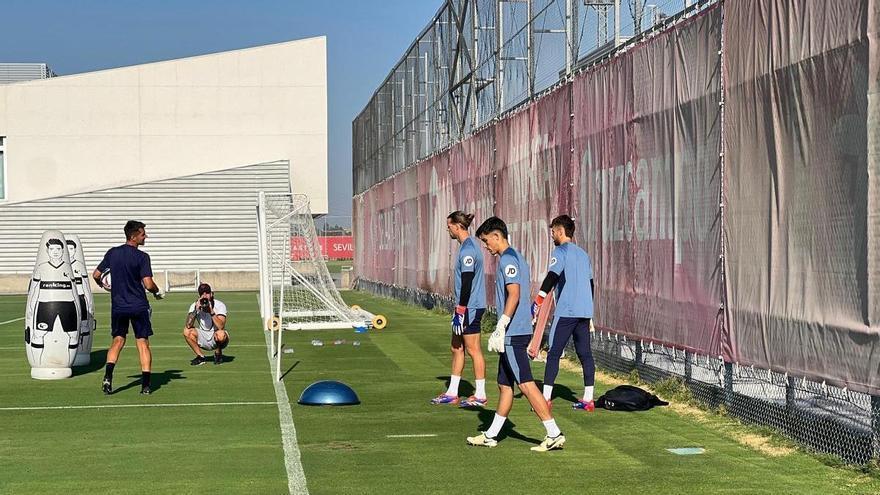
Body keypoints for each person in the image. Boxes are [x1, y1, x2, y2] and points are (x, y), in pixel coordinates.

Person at [466, 217, 565, 452]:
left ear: (497, 236)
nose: (486, 247)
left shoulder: (508, 259)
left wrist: (502, 325)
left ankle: (554, 433)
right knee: (504, 386)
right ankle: (491, 434)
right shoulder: (516, 257)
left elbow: (514, 293)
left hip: (513, 333)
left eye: (486, 241)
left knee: (527, 384)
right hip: (515, 331)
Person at [529, 214, 596, 411]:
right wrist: (589, 310)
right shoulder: (584, 254)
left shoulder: (560, 251)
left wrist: (539, 300)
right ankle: (588, 399)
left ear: (560, 231)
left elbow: (552, 275)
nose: (552, 235)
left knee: (554, 353)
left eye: (553, 232)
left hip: (567, 311)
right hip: (584, 311)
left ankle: (545, 399)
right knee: (585, 354)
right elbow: (591, 284)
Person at [93, 220, 164, 395]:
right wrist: (157, 291)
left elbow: (96, 275)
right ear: (133, 236)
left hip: (119, 306)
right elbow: (148, 284)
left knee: (117, 341)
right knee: (142, 343)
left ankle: (108, 378)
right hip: (139, 306)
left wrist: (103, 285)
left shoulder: (113, 253)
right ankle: (146, 386)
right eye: (143, 234)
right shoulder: (142, 257)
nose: (146, 236)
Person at [431, 211, 488, 407]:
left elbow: (467, 281)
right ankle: (452, 391)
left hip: (470, 307)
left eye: (449, 227)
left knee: (473, 349)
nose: (448, 230)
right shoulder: (466, 247)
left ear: (457, 226)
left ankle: (480, 394)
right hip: (463, 307)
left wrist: (462, 309)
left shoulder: (468, 250)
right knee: (456, 347)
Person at [183, 283, 229, 365]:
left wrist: (211, 312)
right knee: (187, 331)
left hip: (217, 335)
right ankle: (200, 357)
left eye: (207, 293)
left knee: (221, 334)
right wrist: (195, 310)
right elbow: (188, 325)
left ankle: (218, 354)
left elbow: (221, 326)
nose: (204, 296)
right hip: (203, 335)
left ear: (212, 294)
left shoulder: (220, 305)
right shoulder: (195, 305)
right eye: (202, 294)